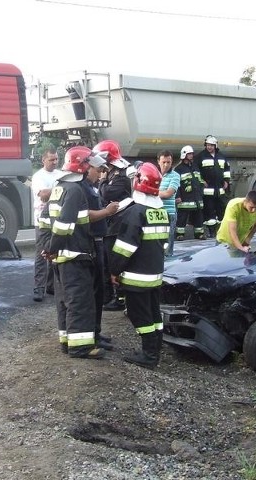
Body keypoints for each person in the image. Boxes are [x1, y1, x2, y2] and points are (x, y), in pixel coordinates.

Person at [42, 146, 105, 359]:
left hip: (61, 257)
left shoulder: (59, 186)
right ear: (82, 165)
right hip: (74, 255)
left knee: (64, 302)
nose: (91, 168)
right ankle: (80, 347)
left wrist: (48, 248)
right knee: (80, 301)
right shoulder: (76, 190)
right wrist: (51, 248)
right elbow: (63, 225)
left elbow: (45, 219)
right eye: (88, 164)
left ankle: (67, 341)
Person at [109, 162, 169, 369]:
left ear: (138, 182)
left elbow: (124, 247)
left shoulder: (135, 213)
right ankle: (155, 350)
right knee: (154, 314)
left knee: (139, 314)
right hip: (155, 275)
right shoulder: (161, 212)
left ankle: (149, 356)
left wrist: (114, 271)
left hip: (136, 277)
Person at [81, 152, 119, 350]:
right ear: (87, 169)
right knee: (94, 291)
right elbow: (85, 216)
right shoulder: (82, 189)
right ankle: (92, 335)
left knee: (99, 291)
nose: (102, 173)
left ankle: (96, 332)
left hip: (98, 241)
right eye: (98, 169)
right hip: (91, 243)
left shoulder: (91, 187)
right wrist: (106, 212)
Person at [95, 139, 131, 311]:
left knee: (116, 261)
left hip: (118, 223)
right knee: (108, 261)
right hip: (112, 222)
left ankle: (120, 298)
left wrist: (101, 181)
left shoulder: (120, 176)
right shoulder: (114, 173)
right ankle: (112, 296)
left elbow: (106, 194)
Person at [31, 147, 61, 302]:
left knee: (55, 252)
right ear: (44, 160)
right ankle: (38, 288)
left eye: (56, 159)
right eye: (51, 159)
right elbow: (43, 196)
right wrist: (60, 189)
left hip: (57, 220)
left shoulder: (61, 174)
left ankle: (51, 286)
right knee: (41, 254)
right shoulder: (38, 177)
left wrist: (53, 191)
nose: (55, 162)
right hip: (42, 221)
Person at [195, 135, 231, 237]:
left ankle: (222, 231)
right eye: (207, 145)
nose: (209, 147)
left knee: (221, 211)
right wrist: (201, 181)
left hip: (220, 191)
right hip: (207, 191)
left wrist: (226, 181)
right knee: (209, 212)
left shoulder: (221, 156)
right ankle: (212, 232)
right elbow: (196, 172)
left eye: (211, 145)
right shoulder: (200, 156)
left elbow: (226, 169)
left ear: (215, 145)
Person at [174, 145, 205, 240]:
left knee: (198, 217)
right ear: (184, 155)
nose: (191, 155)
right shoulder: (178, 169)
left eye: (192, 154)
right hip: (184, 199)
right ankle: (180, 234)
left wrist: (202, 188)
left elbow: (199, 180)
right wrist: (177, 196)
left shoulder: (195, 167)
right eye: (189, 154)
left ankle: (199, 234)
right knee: (182, 217)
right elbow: (176, 184)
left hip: (196, 198)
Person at [157, 150, 180, 256]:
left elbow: (168, 193)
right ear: (158, 162)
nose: (166, 165)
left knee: (167, 246)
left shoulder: (175, 176)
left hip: (169, 213)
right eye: (163, 162)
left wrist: (151, 191)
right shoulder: (155, 175)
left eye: (168, 162)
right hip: (156, 213)